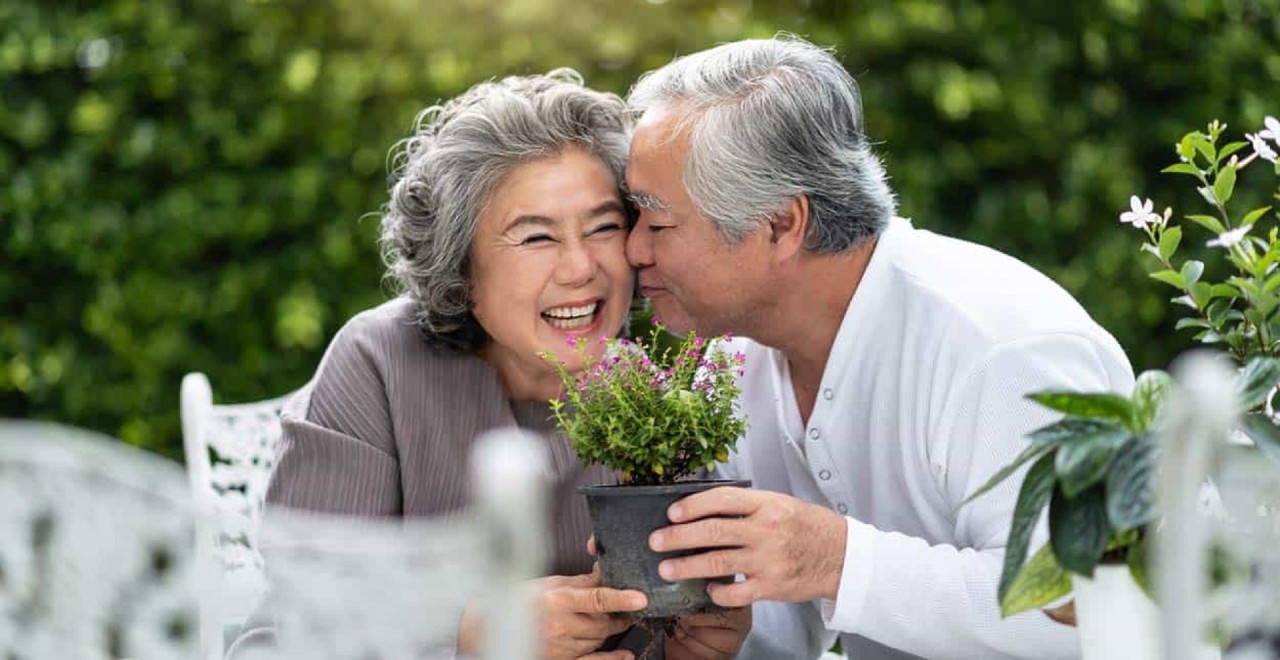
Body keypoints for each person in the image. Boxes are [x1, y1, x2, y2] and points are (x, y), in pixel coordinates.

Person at [622, 36, 1135, 659]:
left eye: (657, 221)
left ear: (782, 224)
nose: (632, 250)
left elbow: (1103, 617)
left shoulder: (1004, 350)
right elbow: (783, 632)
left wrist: (840, 561)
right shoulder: (736, 361)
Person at [231, 69, 747, 660]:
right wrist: (470, 640)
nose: (582, 268)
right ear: (461, 268)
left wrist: (697, 651)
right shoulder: (380, 364)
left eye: (604, 227)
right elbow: (283, 637)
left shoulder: (658, 404)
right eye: (535, 238)